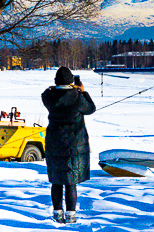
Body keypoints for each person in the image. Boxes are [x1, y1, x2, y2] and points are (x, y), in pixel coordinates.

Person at [41, 67, 96, 224]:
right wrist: (83, 92)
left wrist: (57, 87)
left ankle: (57, 214)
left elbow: (45, 93)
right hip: (73, 145)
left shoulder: (49, 97)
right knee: (70, 182)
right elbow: (91, 108)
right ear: (72, 81)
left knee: (56, 180)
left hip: (54, 143)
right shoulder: (77, 97)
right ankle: (71, 216)